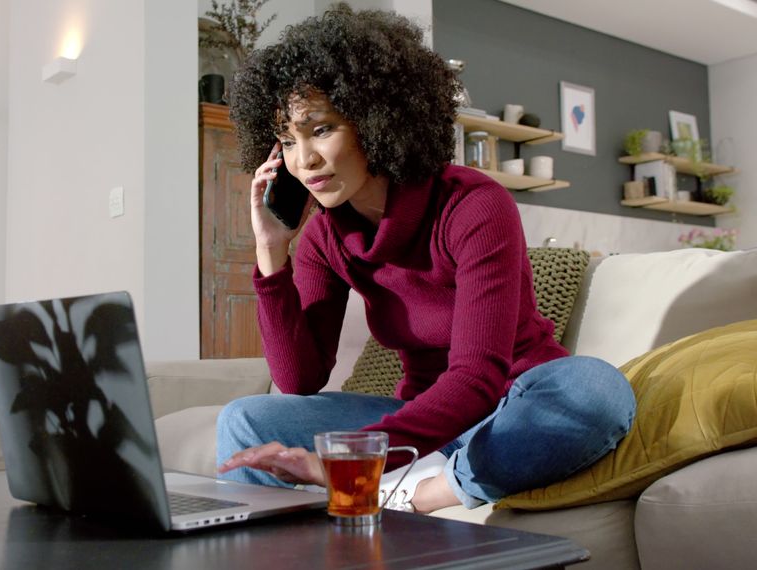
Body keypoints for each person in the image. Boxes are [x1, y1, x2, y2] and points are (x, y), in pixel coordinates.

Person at [215, 4, 635, 513]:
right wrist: (271, 251)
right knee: (245, 420)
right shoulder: (324, 237)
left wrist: (354, 460)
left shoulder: (473, 204)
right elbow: (300, 380)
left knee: (597, 389)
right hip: (423, 420)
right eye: (287, 140)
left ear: (375, 119)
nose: (303, 161)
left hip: (514, 407)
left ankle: (422, 494)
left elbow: (478, 376)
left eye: (320, 129)